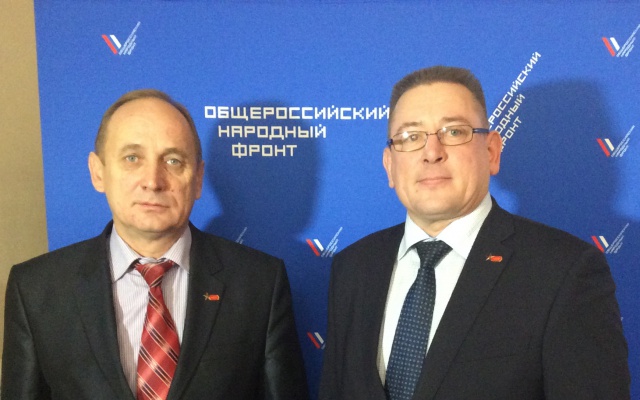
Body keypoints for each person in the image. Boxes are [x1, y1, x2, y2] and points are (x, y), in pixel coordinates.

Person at [319, 66, 630, 399]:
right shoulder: (353, 267)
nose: (432, 152)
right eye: (410, 137)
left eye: (454, 132)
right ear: (389, 165)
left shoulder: (564, 271)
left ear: (491, 152)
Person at [2, 89, 309, 400]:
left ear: (198, 179)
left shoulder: (259, 283)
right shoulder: (36, 289)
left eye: (173, 161)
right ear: (98, 172)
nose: (153, 181)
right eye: (132, 158)